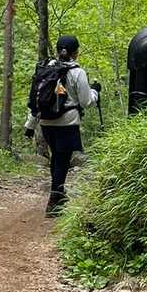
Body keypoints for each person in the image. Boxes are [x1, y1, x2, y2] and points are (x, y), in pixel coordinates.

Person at [25, 34, 100, 216]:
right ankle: (54, 200)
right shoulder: (78, 72)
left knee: (56, 159)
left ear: (58, 51)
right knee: (62, 161)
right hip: (67, 123)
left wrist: (30, 125)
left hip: (46, 122)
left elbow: (36, 98)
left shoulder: (47, 68)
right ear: (76, 52)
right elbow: (86, 102)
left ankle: (59, 194)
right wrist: (95, 92)